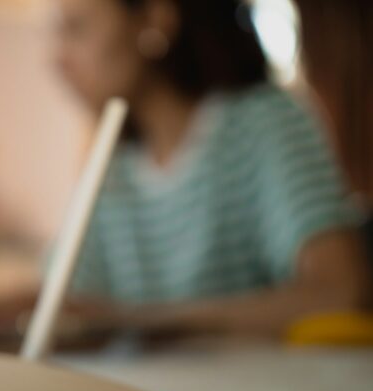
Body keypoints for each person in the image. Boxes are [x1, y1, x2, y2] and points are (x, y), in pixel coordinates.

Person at [37, 0, 370, 339]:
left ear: (155, 21)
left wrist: (148, 321)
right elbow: (60, 301)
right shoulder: (113, 168)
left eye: (76, 29)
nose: (57, 60)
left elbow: (341, 293)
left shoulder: (263, 125)